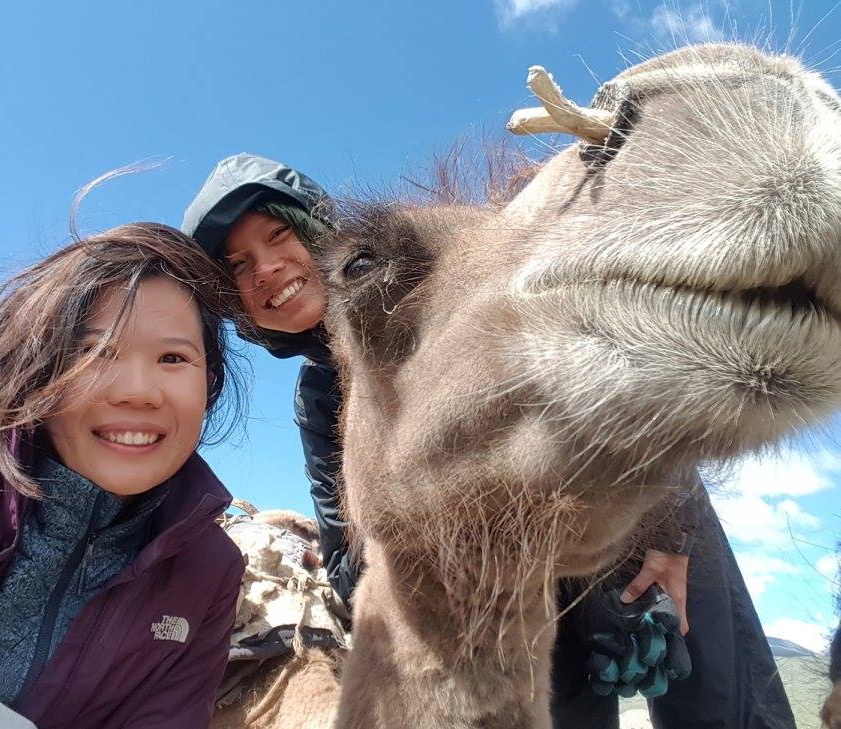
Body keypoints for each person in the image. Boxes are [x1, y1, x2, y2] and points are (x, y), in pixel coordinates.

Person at [181, 152, 797, 728]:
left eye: (279, 235)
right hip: (503, 593)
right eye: (237, 265)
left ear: (316, 228)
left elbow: (607, 385)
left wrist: (667, 542)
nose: (266, 269)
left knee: (723, 701)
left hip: (645, 516)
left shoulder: (432, 288)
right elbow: (351, 550)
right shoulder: (320, 399)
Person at [0, 222, 245, 728]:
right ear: (39, 369)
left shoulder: (208, 571)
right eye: (95, 352)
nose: (138, 391)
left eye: (173, 358)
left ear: (209, 384)